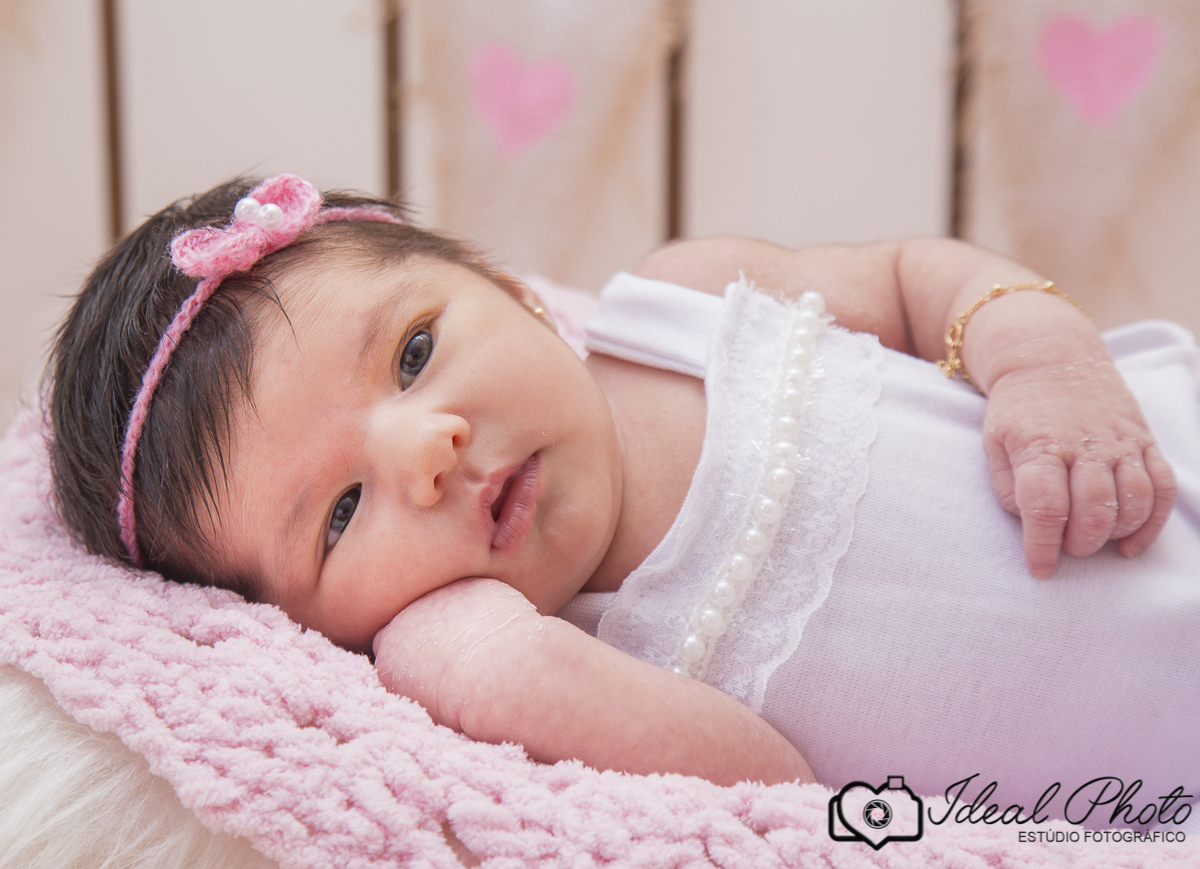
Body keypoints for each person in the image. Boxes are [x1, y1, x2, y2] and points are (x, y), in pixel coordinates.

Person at [47, 175, 1199, 820]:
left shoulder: (684, 309)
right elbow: (778, 796)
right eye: (342, 513)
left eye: (411, 354)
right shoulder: (559, 663)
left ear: (506, 288)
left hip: (1158, 459)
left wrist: (1042, 355)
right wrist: (467, 657)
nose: (427, 453)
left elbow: (911, 275)